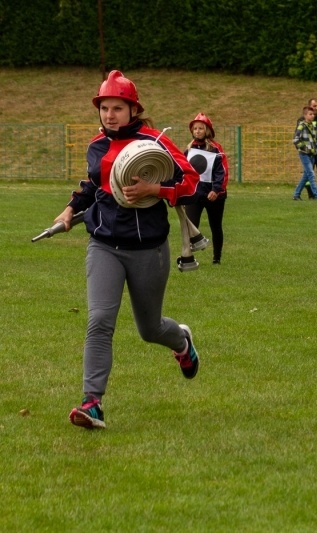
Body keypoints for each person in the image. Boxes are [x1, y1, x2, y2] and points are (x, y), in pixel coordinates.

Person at [52, 70, 202, 429]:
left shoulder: (156, 142)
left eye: (117, 107)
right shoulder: (96, 146)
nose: (109, 114)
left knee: (149, 329)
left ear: (133, 110)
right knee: (99, 321)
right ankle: (92, 404)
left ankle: (181, 342)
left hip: (149, 250)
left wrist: (155, 190)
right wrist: (71, 209)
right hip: (103, 245)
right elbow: (91, 186)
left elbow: (191, 183)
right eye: (104, 107)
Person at [185, 113, 228, 264]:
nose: (197, 131)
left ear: (207, 130)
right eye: (195, 128)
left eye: (200, 128)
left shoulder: (216, 149)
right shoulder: (189, 149)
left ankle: (217, 258)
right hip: (195, 195)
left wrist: (216, 190)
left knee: (215, 226)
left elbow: (222, 171)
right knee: (190, 226)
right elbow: (184, 171)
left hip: (214, 196)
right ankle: (188, 256)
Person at [293, 105, 317, 200]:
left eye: (313, 114)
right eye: (310, 114)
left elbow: (314, 139)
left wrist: (315, 148)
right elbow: (296, 139)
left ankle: (296, 194)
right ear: (305, 115)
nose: (312, 116)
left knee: (306, 176)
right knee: (311, 173)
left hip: (312, 154)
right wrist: (304, 148)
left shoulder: (313, 125)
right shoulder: (301, 125)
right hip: (304, 154)